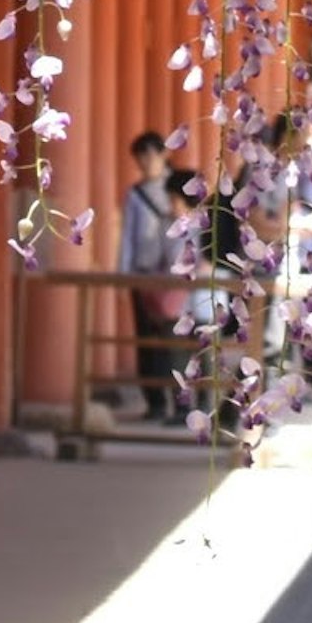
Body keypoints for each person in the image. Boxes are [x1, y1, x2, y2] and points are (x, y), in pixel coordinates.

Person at [116, 130, 181, 421]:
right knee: (146, 338)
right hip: (143, 272)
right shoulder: (135, 193)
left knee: (174, 338)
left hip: (172, 275)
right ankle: (154, 401)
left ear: (163, 154)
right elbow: (127, 236)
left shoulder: (179, 186)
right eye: (139, 157)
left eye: (149, 155)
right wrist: (123, 273)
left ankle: (179, 400)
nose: (144, 162)